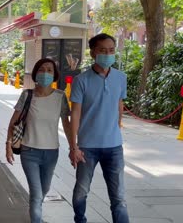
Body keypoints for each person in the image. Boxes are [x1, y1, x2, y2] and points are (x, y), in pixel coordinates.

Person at [6, 58, 75, 223]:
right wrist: (8, 144)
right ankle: (36, 216)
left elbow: (67, 124)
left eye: (49, 70)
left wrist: (74, 147)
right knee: (36, 194)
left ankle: (34, 209)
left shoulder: (60, 97)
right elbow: (13, 122)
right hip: (29, 151)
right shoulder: (27, 95)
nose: (45, 73)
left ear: (54, 74)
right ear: (36, 73)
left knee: (44, 190)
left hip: (52, 153)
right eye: (42, 70)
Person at [69, 33, 129, 223]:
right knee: (81, 191)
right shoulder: (81, 80)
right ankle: (80, 220)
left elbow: (119, 104)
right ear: (93, 52)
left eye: (111, 50)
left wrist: (117, 126)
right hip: (87, 147)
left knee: (118, 197)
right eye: (103, 50)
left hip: (114, 147)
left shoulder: (121, 77)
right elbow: (75, 114)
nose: (107, 54)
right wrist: (74, 147)